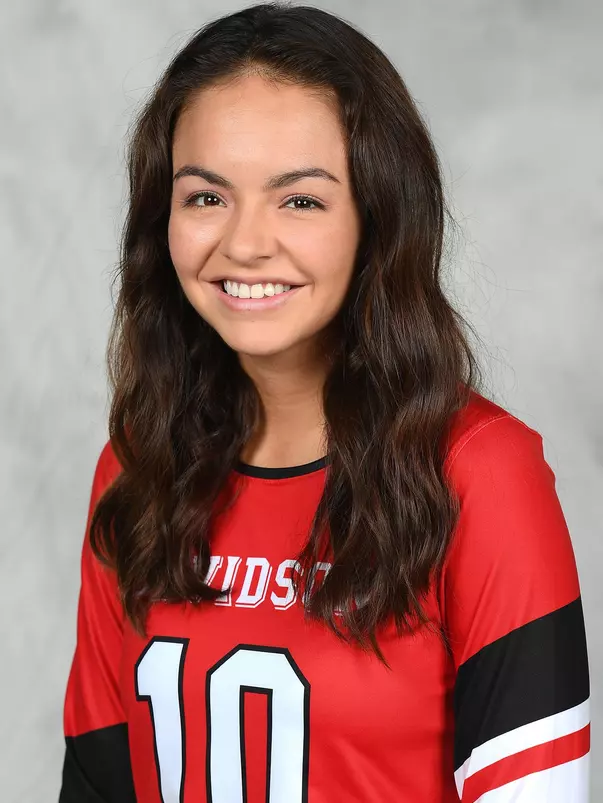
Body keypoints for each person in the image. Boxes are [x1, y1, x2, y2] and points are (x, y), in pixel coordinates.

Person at [58, 3, 590, 802]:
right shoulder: (137, 468)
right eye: (206, 196)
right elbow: (97, 783)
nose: (244, 243)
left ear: (375, 219)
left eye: (298, 200)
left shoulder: (479, 471)